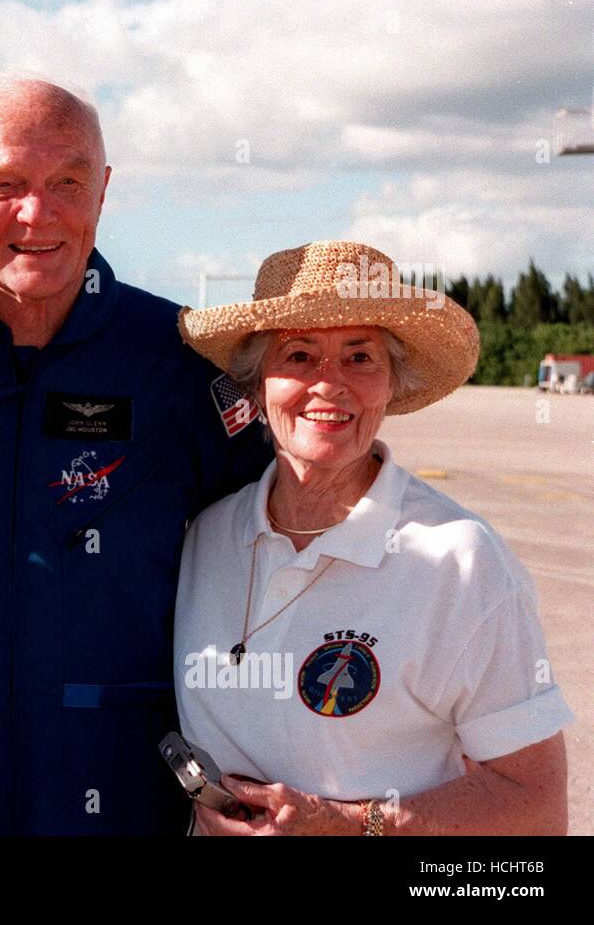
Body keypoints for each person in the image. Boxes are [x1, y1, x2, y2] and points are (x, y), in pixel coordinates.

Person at [0, 72, 274, 835]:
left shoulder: (177, 359)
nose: (36, 213)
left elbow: (273, 546)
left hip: (120, 788)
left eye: (66, 181)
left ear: (103, 190)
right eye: (4, 184)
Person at [174, 240, 573, 835]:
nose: (328, 384)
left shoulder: (460, 559)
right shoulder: (206, 538)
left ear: (392, 386)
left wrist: (349, 824)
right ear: (257, 387)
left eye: (359, 358)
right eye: (300, 354)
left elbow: (537, 812)